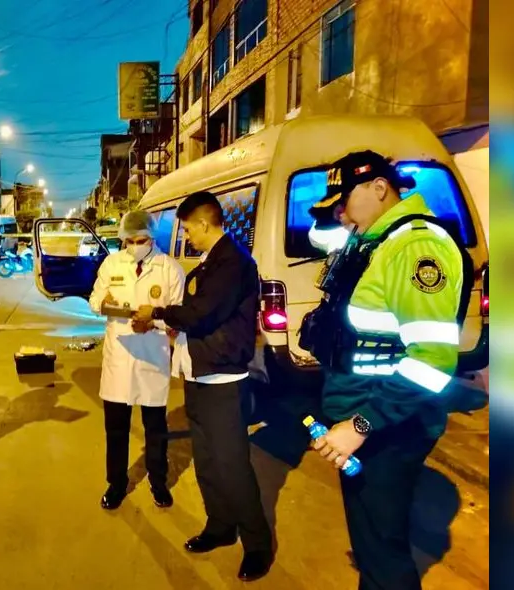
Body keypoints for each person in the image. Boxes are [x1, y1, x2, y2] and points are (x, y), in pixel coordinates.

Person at [304, 150, 471, 590]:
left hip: (386, 427)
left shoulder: (416, 248)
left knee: (384, 555)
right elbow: (323, 240)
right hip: (366, 422)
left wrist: (360, 425)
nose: (340, 212)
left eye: (345, 200)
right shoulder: (375, 240)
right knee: (372, 549)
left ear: (379, 188)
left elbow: (431, 364)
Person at [134, 191, 273, 582]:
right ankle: (220, 526)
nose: (186, 236)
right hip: (199, 374)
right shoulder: (210, 262)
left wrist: (159, 312)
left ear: (203, 224)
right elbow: (195, 312)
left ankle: (257, 544)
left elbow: (202, 311)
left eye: (187, 228)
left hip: (223, 380)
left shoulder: (232, 263)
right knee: (208, 460)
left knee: (232, 465)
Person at [87, 211, 185, 510]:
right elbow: (94, 301)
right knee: (115, 429)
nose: (134, 246)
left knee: (155, 428)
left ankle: (158, 482)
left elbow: (178, 315)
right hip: (119, 357)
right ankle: (116, 483)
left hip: (152, 358)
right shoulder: (112, 263)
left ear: (151, 237)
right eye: (128, 241)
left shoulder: (169, 268)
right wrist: (114, 309)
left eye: (140, 240)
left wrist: (152, 322)